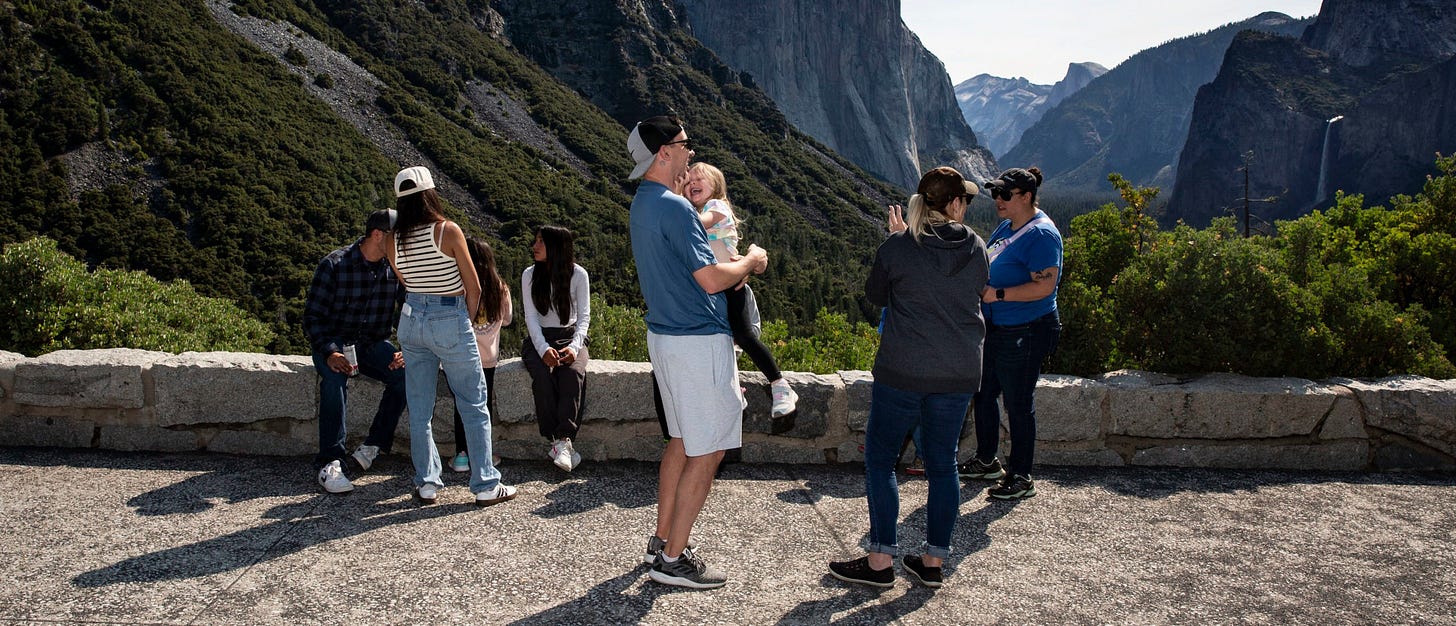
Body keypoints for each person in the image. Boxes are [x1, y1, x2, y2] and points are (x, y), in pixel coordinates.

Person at [829, 166, 988, 589]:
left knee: (881, 461)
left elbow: (877, 295)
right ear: (954, 204)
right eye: (966, 200)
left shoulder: (898, 246)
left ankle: (880, 560)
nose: (967, 206)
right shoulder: (975, 247)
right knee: (943, 465)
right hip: (957, 373)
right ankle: (933, 562)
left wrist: (895, 241)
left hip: (902, 371)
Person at [627, 115, 768, 590]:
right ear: (664, 153)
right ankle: (672, 560)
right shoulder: (675, 208)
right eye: (685, 145)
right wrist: (750, 260)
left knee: (682, 441)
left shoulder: (643, 203)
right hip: (697, 340)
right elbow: (710, 279)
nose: (691, 153)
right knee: (708, 451)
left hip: (665, 337)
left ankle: (663, 538)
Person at [385, 165, 517, 507]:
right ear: (431, 193)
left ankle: (427, 482)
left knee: (419, 407)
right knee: (473, 403)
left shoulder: (391, 239)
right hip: (449, 315)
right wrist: (464, 323)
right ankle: (486, 483)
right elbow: (472, 287)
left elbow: (406, 283)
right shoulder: (447, 230)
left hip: (411, 319)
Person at [961, 166, 1062, 500]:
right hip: (997, 327)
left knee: (1018, 403)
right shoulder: (1008, 226)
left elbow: (1045, 286)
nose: (998, 200)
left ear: (1027, 196)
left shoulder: (1042, 235)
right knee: (984, 392)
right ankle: (988, 460)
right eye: (995, 194)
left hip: (1027, 328)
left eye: (1005, 194)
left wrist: (998, 295)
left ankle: (1021, 475)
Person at [676, 162, 799, 418]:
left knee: (743, 336)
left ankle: (780, 384)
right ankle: (734, 391)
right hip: (712, 290)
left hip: (731, 286)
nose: (692, 183)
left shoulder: (717, 207)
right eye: (688, 182)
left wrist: (675, 200)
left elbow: (696, 224)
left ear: (716, 186)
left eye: (699, 179)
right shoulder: (700, 208)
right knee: (719, 342)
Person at [303, 209, 408, 494]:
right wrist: (330, 353)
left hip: (372, 344)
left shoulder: (394, 270)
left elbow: (412, 311)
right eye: (397, 238)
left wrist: (407, 349)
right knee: (335, 382)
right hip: (334, 343)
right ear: (378, 235)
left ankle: (372, 446)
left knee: (405, 376)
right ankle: (331, 461)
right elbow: (313, 318)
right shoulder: (334, 265)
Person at [520, 224, 591, 472]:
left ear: (556, 246)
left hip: (571, 336)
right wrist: (542, 349)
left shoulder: (578, 275)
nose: (534, 246)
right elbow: (530, 318)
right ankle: (557, 441)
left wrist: (574, 347)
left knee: (573, 373)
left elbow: (584, 318)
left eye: (541, 241)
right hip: (539, 338)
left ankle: (563, 440)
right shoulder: (529, 274)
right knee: (542, 375)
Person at [449, 237, 512, 473]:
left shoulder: (461, 287)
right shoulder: (501, 288)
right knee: (482, 407)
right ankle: (483, 454)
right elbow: (507, 320)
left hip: (462, 357)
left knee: (461, 406)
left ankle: (462, 455)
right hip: (489, 359)